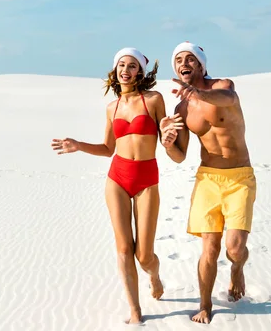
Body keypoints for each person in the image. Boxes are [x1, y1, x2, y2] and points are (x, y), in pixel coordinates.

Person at [51, 47, 168, 325]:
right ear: (115, 71)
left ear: (140, 71)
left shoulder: (153, 100)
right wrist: (78, 146)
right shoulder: (111, 107)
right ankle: (135, 310)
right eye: (121, 66)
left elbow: (166, 138)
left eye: (131, 66)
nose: (125, 70)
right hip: (117, 177)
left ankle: (154, 275)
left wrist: (173, 133)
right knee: (124, 249)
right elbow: (107, 148)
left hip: (146, 178)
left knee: (144, 255)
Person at [159, 41, 257, 324]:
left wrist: (198, 93)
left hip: (239, 177)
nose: (184, 63)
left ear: (201, 65)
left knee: (235, 248)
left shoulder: (222, 87)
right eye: (178, 59)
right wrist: (167, 144)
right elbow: (179, 156)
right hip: (208, 179)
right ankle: (205, 305)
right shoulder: (182, 107)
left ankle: (237, 268)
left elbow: (227, 98)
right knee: (209, 249)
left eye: (190, 59)